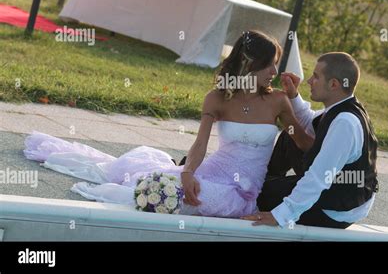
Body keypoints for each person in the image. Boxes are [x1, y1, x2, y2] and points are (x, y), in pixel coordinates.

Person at [23, 30, 313, 218]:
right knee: (171, 188)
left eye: (276, 64)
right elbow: (200, 143)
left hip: (244, 190)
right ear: (249, 64)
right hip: (213, 170)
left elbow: (303, 142)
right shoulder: (217, 98)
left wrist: (296, 98)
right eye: (270, 64)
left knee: (177, 198)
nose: (275, 71)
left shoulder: (277, 102)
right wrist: (188, 171)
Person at [242, 52, 379, 229]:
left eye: (316, 76)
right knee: (289, 136)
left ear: (334, 84)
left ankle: (264, 190)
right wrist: (293, 95)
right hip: (333, 187)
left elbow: (318, 177)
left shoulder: (345, 123)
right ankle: (263, 181)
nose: (309, 81)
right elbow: (311, 122)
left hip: (336, 210)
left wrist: (281, 215)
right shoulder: (341, 107)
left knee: (258, 194)